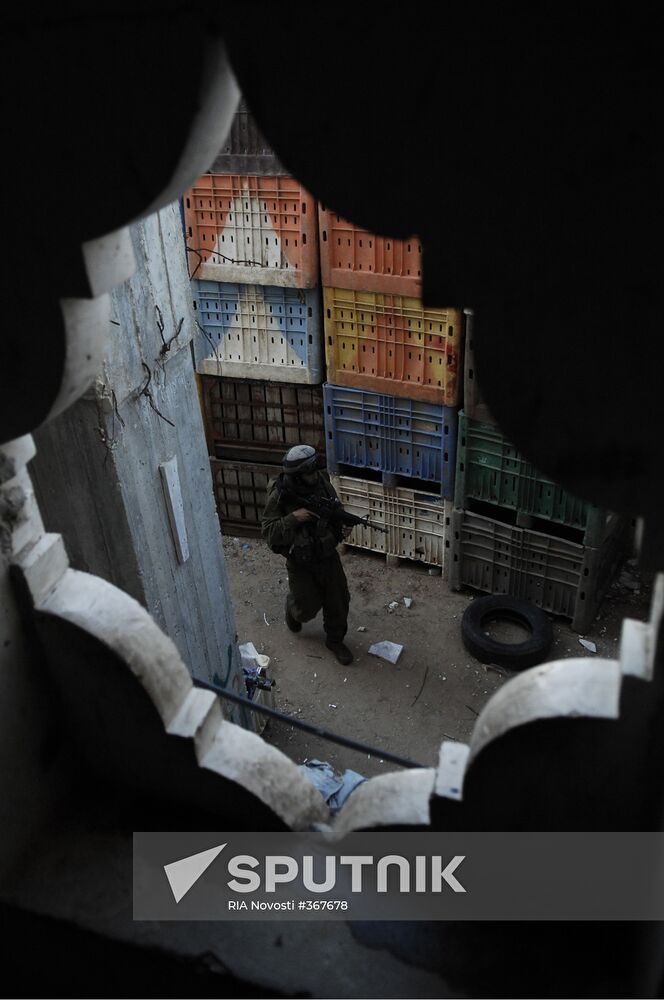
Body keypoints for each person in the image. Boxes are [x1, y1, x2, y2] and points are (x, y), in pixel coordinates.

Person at [261, 444, 354, 665]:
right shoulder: (280, 495)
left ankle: (335, 640)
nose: (315, 476)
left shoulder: (322, 484)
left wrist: (343, 527)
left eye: (315, 471)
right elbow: (269, 533)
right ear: (297, 475)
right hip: (300, 561)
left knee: (339, 600)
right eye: (309, 472)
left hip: (327, 555)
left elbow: (334, 510)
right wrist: (294, 518)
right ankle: (292, 610)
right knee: (305, 610)